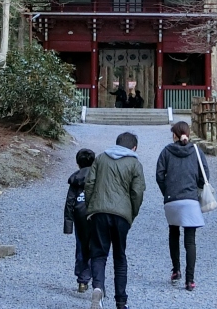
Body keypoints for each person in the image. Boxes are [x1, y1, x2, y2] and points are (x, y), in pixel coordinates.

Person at [84, 131, 145, 309]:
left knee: (99, 254)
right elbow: (137, 192)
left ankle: (97, 288)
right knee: (119, 256)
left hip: (99, 211)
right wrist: (131, 214)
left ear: (117, 143)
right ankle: (121, 301)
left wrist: (91, 207)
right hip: (121, 215)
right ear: (134, 147)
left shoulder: (101, 158)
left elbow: (89, 184)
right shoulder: (135, 164)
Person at [155, 120, 209, 291]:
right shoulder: (196, 151)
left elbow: (159, 175)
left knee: (173, 233)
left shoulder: (166, 151)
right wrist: (194, 188)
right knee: (190, 240)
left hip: (172, 201)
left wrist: (168, 191)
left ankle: (176, 270)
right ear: (188, 134)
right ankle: (189, 280)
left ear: (174, 135)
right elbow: (204, 176)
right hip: (190, 200)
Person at [63, 147, 96, 292]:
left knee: (81, 247)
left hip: (79, 216)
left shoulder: (75, 179)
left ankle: (82, 279)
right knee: (96, 246)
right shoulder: (98, 177)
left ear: (78, 163)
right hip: (95, 214)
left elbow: (70, 201)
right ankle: (92, 275)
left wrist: (68, 224)